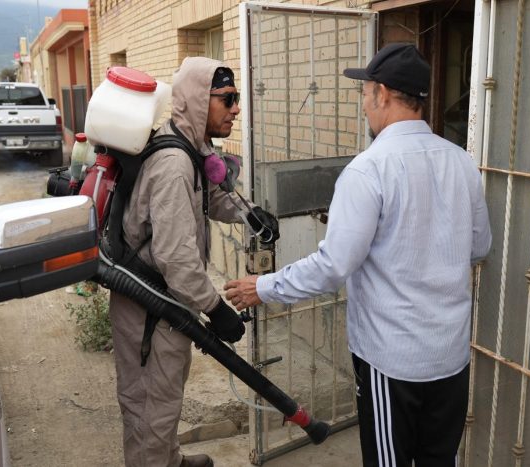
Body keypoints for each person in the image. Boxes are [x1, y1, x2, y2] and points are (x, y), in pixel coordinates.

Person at [224, 43, 492, 467]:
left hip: (394, 362)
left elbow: (333, 266)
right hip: (450, 357)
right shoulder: (462, 163)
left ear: (382, 93)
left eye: (364, 93)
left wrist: (264, 287)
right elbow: (480, 247)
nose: (364, 104)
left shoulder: (369, 170)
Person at [108, 57, 278, 467]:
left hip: (163, 301)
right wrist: (218, 310)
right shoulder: (174, 165)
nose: (236, 108)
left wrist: (249, 213)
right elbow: (177, 260)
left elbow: (208, 197)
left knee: (161, 398)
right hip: (151, 305)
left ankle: (169, 459)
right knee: (152, 405)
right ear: (200, 101)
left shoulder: (188, 146)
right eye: (228, 99)